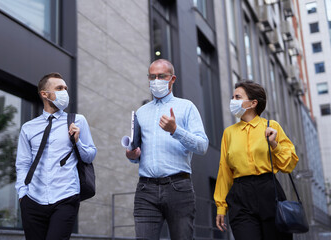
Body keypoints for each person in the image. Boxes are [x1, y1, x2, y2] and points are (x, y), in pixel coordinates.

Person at [126, 59, 209, 240]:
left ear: (172, 79)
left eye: (161, 76)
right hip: (146, 189)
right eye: (152, 77)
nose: (156, 81)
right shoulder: (141, 112)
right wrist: (132, 155)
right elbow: (137, 153)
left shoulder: (186, 107)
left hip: (178, 187)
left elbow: (202, 146)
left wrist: (175, 130)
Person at [15, 72, 97, 240]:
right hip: (32, 199)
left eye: (65, 88)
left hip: (65, 197)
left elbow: (90, 156)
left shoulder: (78, 121)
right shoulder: (28, 128)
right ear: (44, 94)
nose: (64, 92)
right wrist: (22, 194)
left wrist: (77, 141)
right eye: (59, 88)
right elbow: (23, 163)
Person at [214, 81, 299, 240]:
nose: (233, 101)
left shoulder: (271, 126)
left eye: (238, 97)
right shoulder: (229, 133)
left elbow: (289, 164)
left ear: (253, 103)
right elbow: (224, 171)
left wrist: (274, 144)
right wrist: (220, 207)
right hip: (240, 194)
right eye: (232, 97)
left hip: (268, 191)